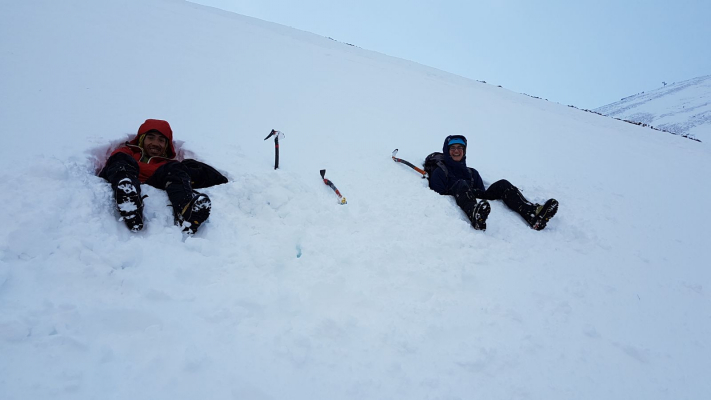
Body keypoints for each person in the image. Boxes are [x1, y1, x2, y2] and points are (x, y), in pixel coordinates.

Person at [99, 119, 227, 233]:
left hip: (157, 178)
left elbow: (212, 177)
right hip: (126, 175)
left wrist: (189, 166)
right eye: (151, 137)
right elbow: (110, 168)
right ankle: (129, 199)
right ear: (142, 139)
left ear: (166, 146)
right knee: (121, 162)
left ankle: (186, 211)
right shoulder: (126, 153)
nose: (155, 143)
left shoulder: (169, 166)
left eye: (161, 140)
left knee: (177, 169)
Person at [428, 135, 558, 231]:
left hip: (473, 193)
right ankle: (475, 215)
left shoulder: (472, 172)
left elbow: (482, 193)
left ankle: (532, 214)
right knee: (461, 184)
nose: (456, 151)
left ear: (464, 151)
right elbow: (436, 194)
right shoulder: (440, 172)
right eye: (453, 148)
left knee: (503, 184)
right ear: (447, 150)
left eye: (460, 148)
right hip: (457, 195)